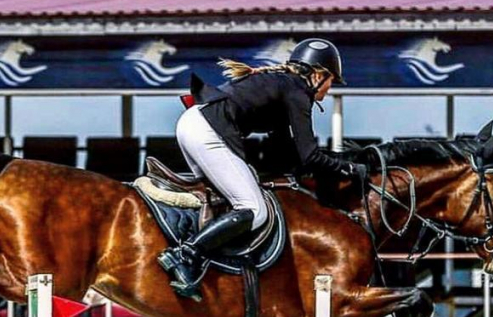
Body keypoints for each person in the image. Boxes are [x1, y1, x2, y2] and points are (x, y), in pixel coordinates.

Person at [158, 38, 369, 299]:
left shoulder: (281, 84)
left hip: (192, 123)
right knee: (254, 210)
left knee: (221, 200)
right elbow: (309, 156)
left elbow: (283, 150)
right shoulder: (298, 91)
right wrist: (349, 168)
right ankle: (185, 256)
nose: (329, 89)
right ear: (318, 75)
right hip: (207, 131)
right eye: (331, 81)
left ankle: (211, 265)